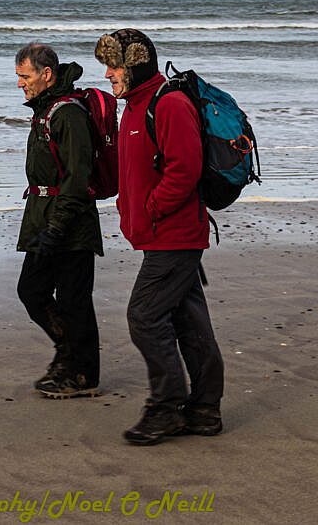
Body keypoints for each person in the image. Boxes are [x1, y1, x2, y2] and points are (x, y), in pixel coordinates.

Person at [94, 29, 225, 444]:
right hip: (161, 235)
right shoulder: (134, 106)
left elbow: (185, 170)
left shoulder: (168, 103)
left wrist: (149, 209)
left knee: (144, 316)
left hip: (175, 235)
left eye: (114, 66)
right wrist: (127, 208)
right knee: (188, 319)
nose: (108, 74)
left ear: (135, 65)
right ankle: (203, 410)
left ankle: (166, 407)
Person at [14, 42, 103, 399]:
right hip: (44, 218)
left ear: (46, 74)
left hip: (72, 223)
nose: (20, 83)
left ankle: (82, 375)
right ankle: (69, 355)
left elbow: (78, 179)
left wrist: (56, 227)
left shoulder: (68, 114)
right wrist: (45, 227)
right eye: (19, 76)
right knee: (31, 291)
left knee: (74, 300)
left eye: (25, 76)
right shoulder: (46, 110)